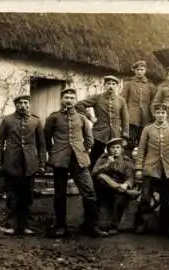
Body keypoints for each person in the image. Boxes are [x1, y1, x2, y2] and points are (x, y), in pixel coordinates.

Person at [44, 88, 108, 238]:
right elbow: (46, 138)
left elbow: (89, 139)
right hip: (60, 160)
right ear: (61, 99)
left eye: (72, 98)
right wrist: (54, 152)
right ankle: (61, 226)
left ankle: (91, 226)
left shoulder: (81, 118)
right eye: (66, 97)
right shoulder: (53, 118)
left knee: (89, 191)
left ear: (75, 100)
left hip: (79, 160)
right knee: (60, 194)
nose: (69, 100)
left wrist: (82, 151)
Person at [0, 95, 46, 235]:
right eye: (20, 103)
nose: (23, 105)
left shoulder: (36, 121)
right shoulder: (7, 120)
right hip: (12, 163)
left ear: (29, 104)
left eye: (26, 103)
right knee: (12, 196)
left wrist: (42, 163)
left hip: (30, 164)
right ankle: (10, 225)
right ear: (16, 105)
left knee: (27, 197)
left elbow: (41, 145)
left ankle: (25, 226)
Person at [134, 102, 169, 237]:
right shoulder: (147, 129)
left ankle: (166, 227)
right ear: (154, 114)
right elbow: (141, 150)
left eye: (163, 113)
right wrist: (139, 168)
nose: (160, 115)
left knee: (166, 200)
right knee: (145, 198)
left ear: (166, 114)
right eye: (158, 113)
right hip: (150, 168)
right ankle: (141, 225)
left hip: (167, 170)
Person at [76, 75, 129, 167]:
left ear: (117, 86)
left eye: (113, 84)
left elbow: (125, 119)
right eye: (108, 84)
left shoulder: (121, 100)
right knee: (95, 157)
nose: (111, 86)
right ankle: (92, 178)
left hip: (115, 134)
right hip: (99, 133)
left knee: (116, 157)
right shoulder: (97, 98)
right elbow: (79, 105)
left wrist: (124, 135)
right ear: (104, 85)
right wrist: (90, 117)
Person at [91, 137, 138, 235]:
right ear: (108, 150)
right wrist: (107, 164)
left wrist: (126, 184)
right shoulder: (104, 158)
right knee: (101, 176)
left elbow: (131, 176)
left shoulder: (126, 160)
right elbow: (94, 173)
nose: (115, 150)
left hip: (120, 187)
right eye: (112, 148)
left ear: (122, 149)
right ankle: (123, 191)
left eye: (118, 147)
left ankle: (114, 226)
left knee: (119, 198)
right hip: (104, 188)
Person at [121, 60, 156, 150]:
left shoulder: (150, 85)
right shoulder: (129, 84)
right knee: (130, 140)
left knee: (144, 140)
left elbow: (155, 100)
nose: (139, 72)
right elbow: (122, 99)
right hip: (132, 116)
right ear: (134, 71)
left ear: (145, 70)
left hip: (146, 116)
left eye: (141, 69)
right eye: (137, 70)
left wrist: (153, 113)